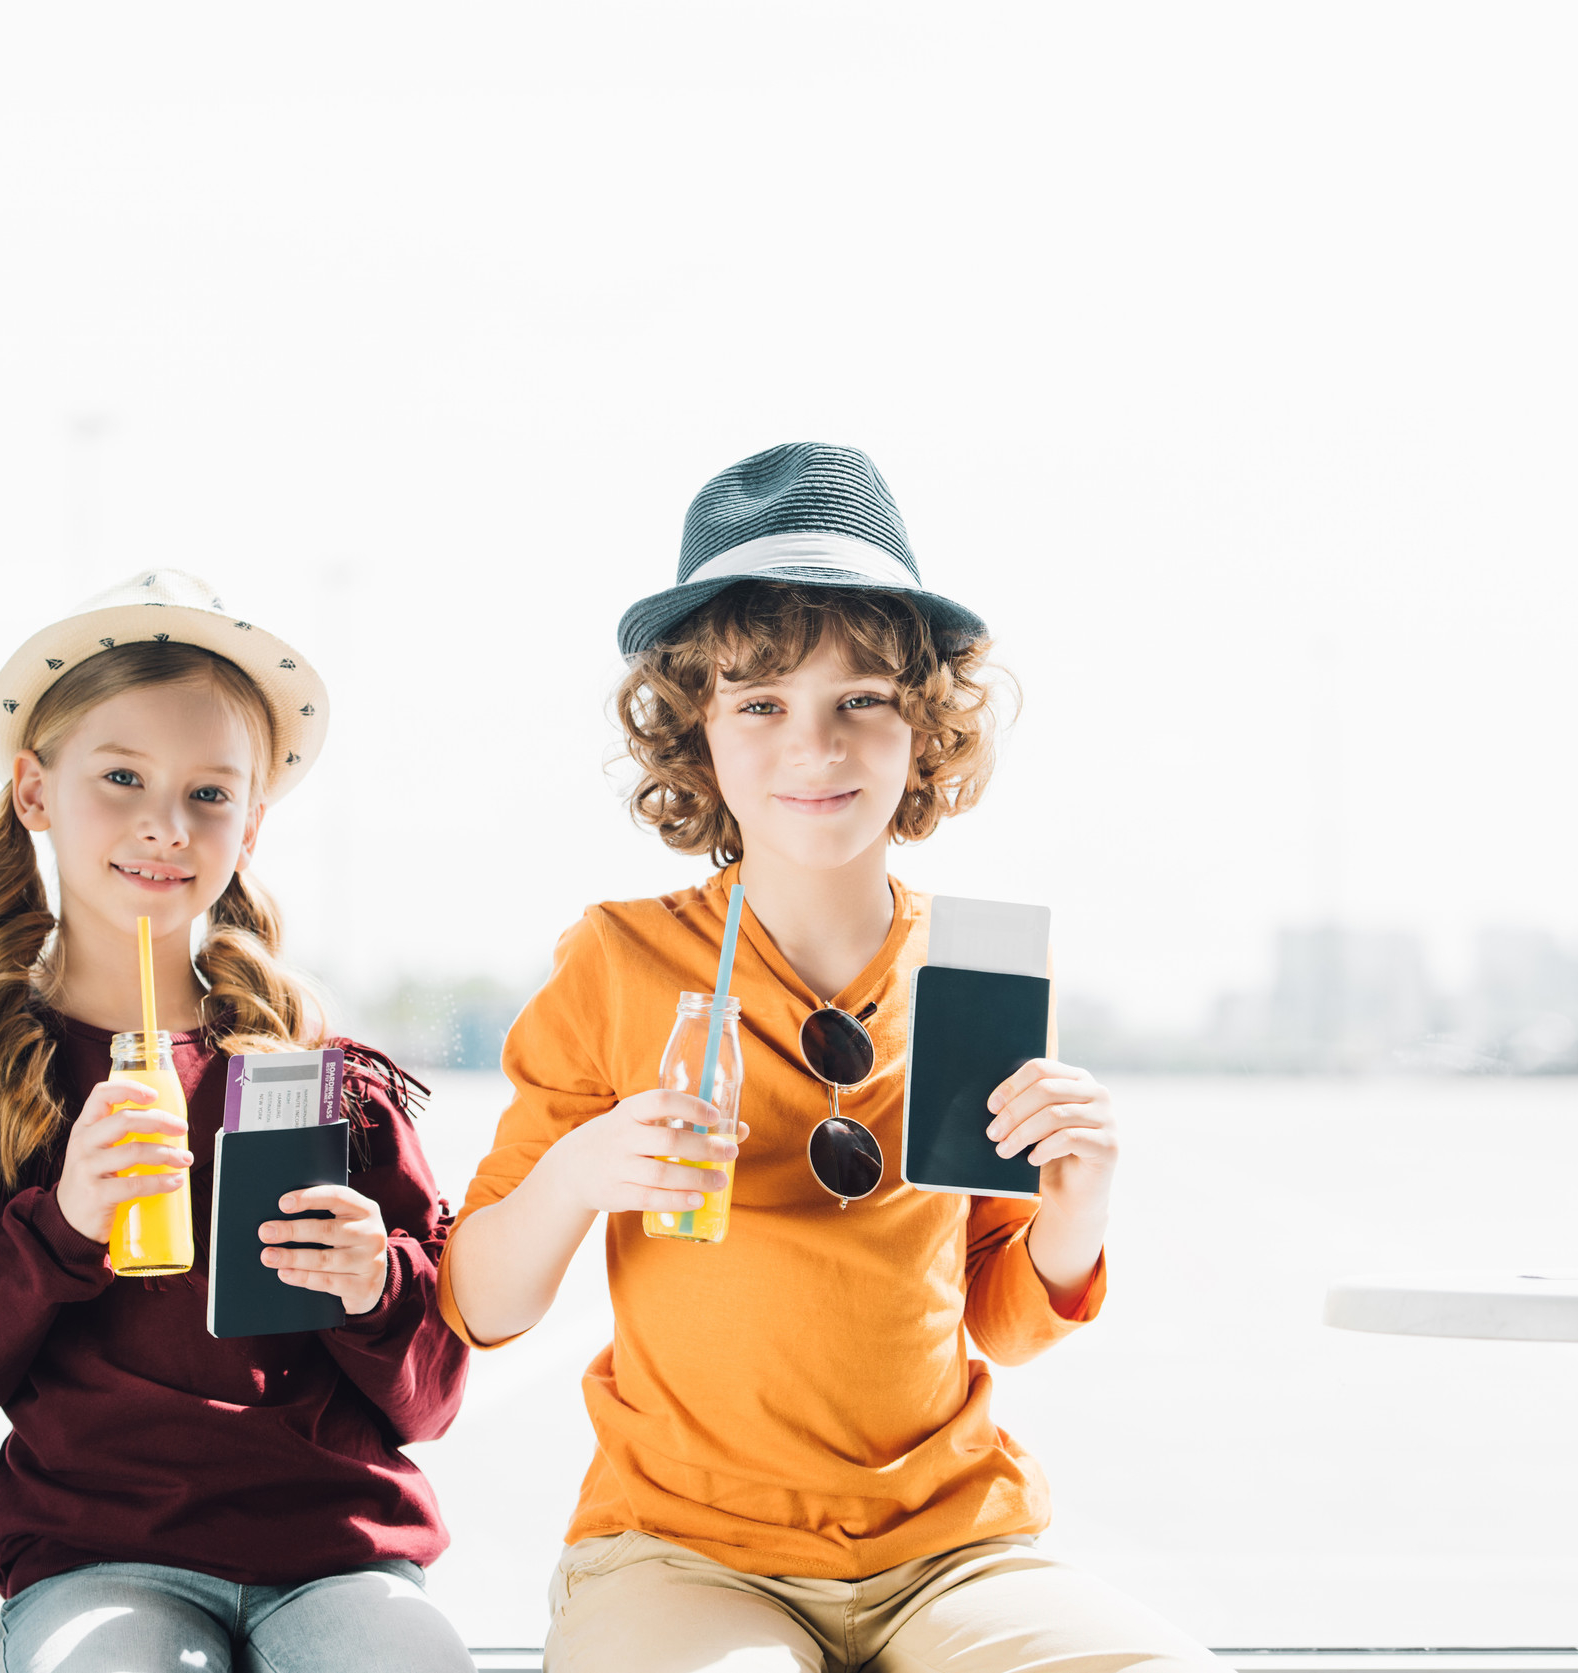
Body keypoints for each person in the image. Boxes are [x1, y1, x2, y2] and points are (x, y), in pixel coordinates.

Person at [439, 445, 1222, 1673]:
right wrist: (581, 1170)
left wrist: (1078, 1211)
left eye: (860, 698)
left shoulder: (980, 977)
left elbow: (998, 1321)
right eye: (759, 704)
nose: (815, 744)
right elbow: (481, 1301)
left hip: (950, 1550)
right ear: (695, 736)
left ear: (926, 727)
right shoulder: (613, 960)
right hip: (681, 1549)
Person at [0, 570, 474, 1673]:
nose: (165, 825)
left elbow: (429, 1398)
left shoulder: (320, 1075)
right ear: (34, 789)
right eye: (120, 777)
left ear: (252, 824)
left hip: (336, 1554)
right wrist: (55, 1228)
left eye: (209, 794)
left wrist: (378, 1286)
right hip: (94, 1559)